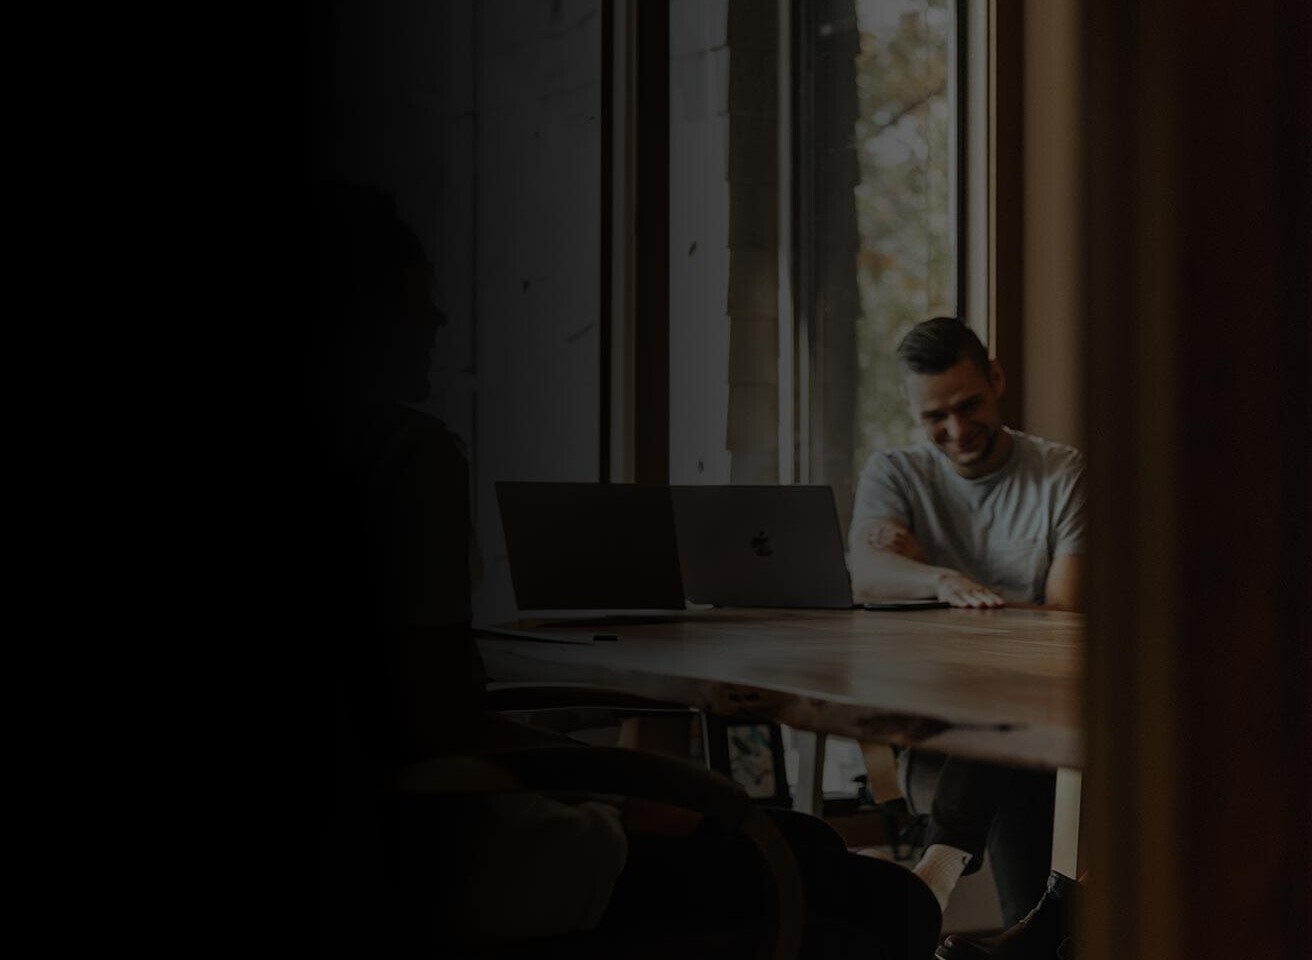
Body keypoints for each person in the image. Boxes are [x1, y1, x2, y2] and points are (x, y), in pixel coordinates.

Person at [315, 182, 941, 958]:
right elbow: (432, 719)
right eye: (416, 303)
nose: (438, 321)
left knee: (802, 840)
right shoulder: (407, 459)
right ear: (356, 320)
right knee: (889, 899)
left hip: (391, 863)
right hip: (491, 866)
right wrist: (622, 785)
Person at [845, 317, 1086, 951]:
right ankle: (1023, 936)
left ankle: (942, 868)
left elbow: (1064, 612)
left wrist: (915, 574)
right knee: (1029, 772)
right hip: (934, 733)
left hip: (1035, 716)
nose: (956, 430)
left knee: (1028, 749)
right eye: (935, 417)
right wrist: (946, 580)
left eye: (969, 404)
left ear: (997, 379)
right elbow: (867, 574)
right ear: (912, 413)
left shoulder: (1060, 474)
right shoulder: (894, 472)